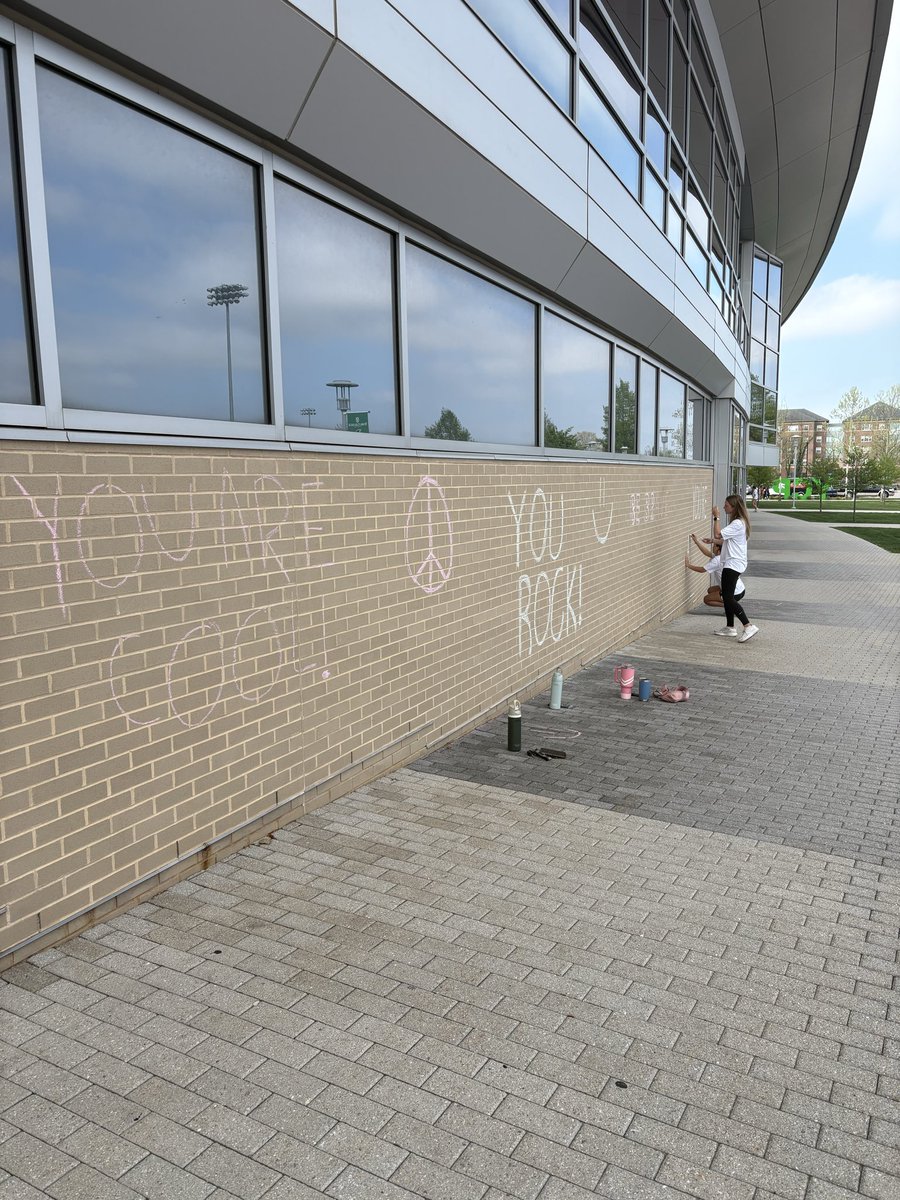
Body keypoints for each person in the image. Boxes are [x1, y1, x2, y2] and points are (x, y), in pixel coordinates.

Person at [711, 495, 758, 642]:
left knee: (729, 598)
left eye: (726, 505)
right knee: (726, 596)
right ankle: (730, 627)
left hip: (733, 564)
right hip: (732, 563)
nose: (724, 507)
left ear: (733, 507)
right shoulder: (739, 523)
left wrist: (716, 517)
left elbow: (718, 533)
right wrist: (713, 541)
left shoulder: (738, 523)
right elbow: (723, 539)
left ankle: (748, 625)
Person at [685, 534, 745, 609]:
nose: (712, 547)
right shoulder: (724, 556)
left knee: (706, 599)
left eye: (714, 546)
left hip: (734, 593)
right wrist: (696, 541)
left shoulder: (717, 560)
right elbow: (707, 553)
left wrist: (688, 565)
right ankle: (730, 603)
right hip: (741, 589)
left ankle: (731, 606)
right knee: (710, 590)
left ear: (718, 550)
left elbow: (702, 570)